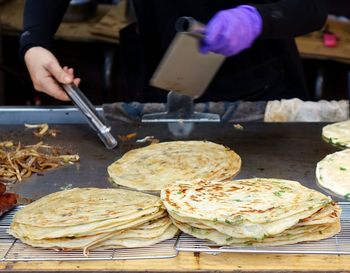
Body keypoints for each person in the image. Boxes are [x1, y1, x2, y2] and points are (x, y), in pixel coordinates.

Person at [20, 0, 328, 102]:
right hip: (159, 82)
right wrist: (35, 40)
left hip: (258, 93)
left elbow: (314, 8)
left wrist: (257, 18)